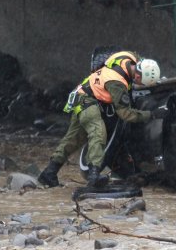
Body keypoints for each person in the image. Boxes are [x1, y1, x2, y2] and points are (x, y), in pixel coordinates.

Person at [38, 51, 167, 188]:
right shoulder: (117, 83)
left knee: (73, 139)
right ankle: (94, 176)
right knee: (98, 131)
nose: (139, 84)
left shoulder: (127, 57)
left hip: (81, 93)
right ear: (137, 75)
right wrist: (151, 114)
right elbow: (126, 114)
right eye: (140, 82)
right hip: (88, 100)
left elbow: (118, 61)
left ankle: (48, 173)